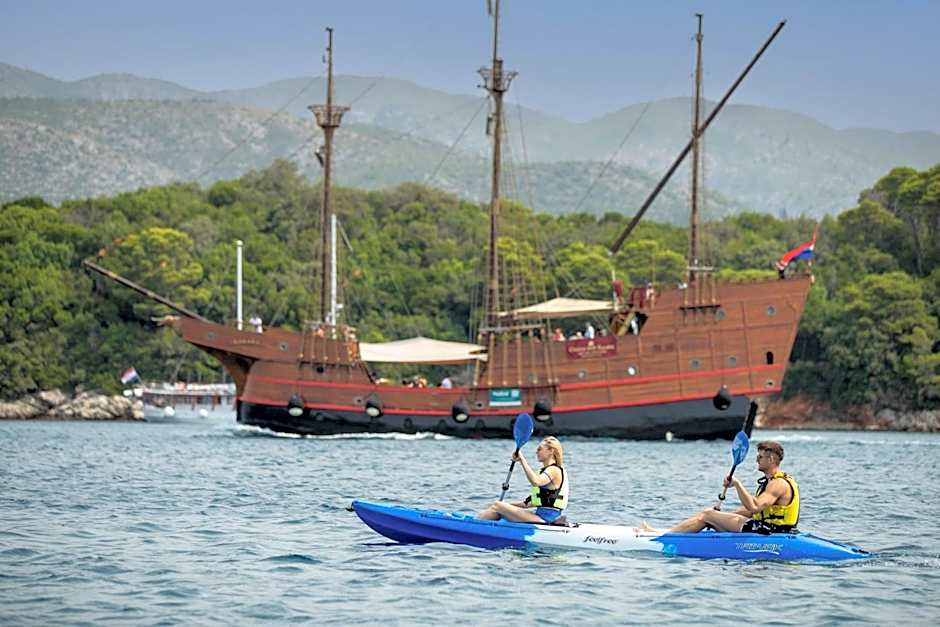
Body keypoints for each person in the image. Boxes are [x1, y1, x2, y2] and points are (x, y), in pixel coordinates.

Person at [655, 441, 799, 534]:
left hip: (771, 532)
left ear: (771, 459)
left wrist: (737, 484)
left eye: (760, 457)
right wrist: (723, 516)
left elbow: (754, 506)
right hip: (766, 528)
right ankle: (670, 532)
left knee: (707, 515)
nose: (756, 460)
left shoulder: (778, 483)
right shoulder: (769, 482)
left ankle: (666, 536)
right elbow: (750, 512)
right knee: (711, 515)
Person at [477, 436, 569, 524]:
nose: (536, 452)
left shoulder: (554, 470)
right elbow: (527, 504)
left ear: (551, 451)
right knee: (498, 506)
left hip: (547, 518)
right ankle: (480, 522)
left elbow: (536, 481)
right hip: (540, 515)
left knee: (498, 506)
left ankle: (475, 524)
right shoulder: (546, 471)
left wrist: (522, 460)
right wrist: (506, 505)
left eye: (539, 449)